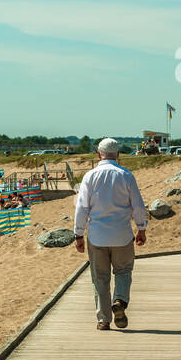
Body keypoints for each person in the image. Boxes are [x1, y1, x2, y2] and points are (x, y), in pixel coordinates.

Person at [74, 138, 147, 330]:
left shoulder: (90, 176)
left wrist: (78, 234)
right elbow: (138, 205)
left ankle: (103, 319)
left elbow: (81, 207)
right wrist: (141, 228)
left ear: (99, 154)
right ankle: (120, 301)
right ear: (118, 155)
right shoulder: (126, 175)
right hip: (122, 234)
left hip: (97, 235)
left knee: (100, 277)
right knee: (123, 271)